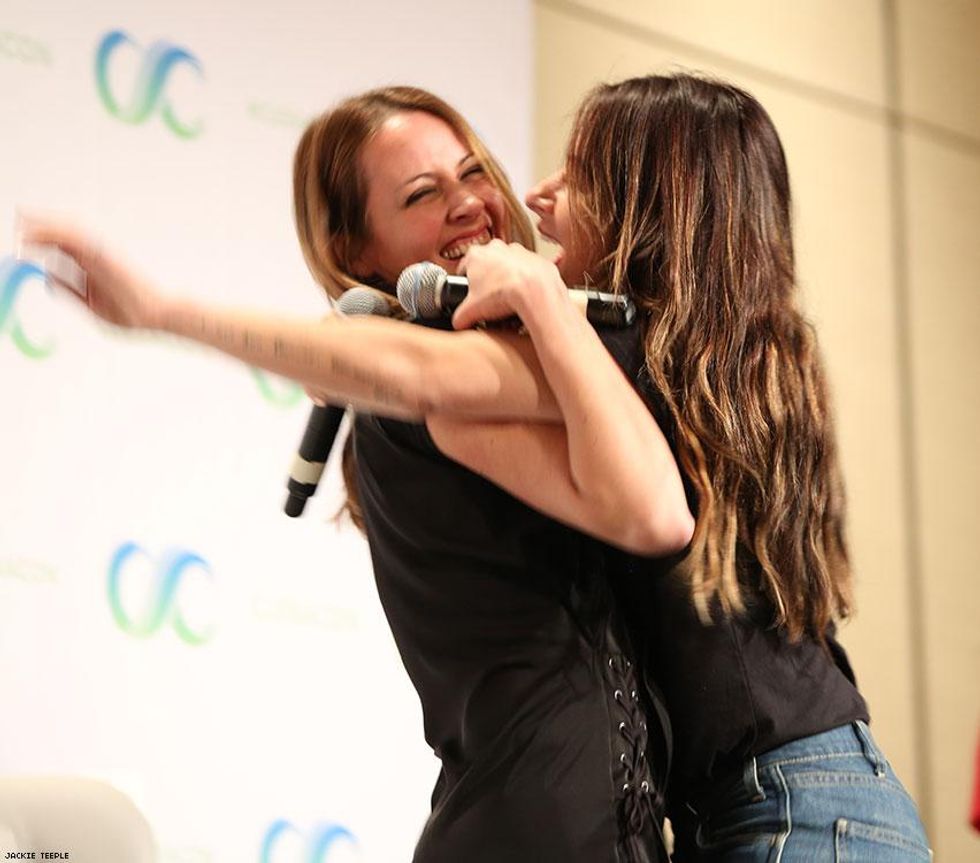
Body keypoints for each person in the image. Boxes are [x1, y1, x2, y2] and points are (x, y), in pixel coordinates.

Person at [20, 86, 693, 862]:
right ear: (360, 253)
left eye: (473, 172)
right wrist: (163, 312)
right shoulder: (434, 390)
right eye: (421, 193)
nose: (469, 202)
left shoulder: (551, 353)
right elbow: (412, 370)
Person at [438, 74, 932, 861]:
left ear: (648, 197)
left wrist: (527, 291)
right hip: (819, 797)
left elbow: (450, 408)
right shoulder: (745, 360)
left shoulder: (631, 361)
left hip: (787, 809)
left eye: (577, 173)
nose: (539, 196)